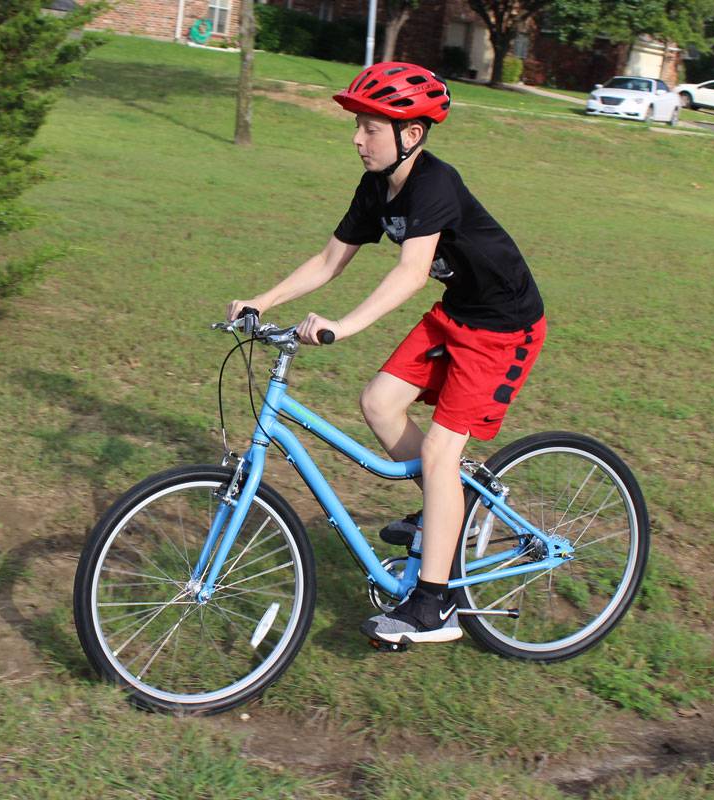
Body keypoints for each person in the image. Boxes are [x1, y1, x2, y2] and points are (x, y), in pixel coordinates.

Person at [227, 62, 545, 645]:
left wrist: (342, 327)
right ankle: (457, 507)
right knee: (378, 402)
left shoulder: (434, 183)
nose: (357, 138)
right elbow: (329, 260)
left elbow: (412, 271)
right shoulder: (376, 186)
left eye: (371, 128)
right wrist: (263, 299)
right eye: (358, 126)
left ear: (412, 135)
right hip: (459, 314)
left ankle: (434, 604)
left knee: (444, 451)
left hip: (504, 326)